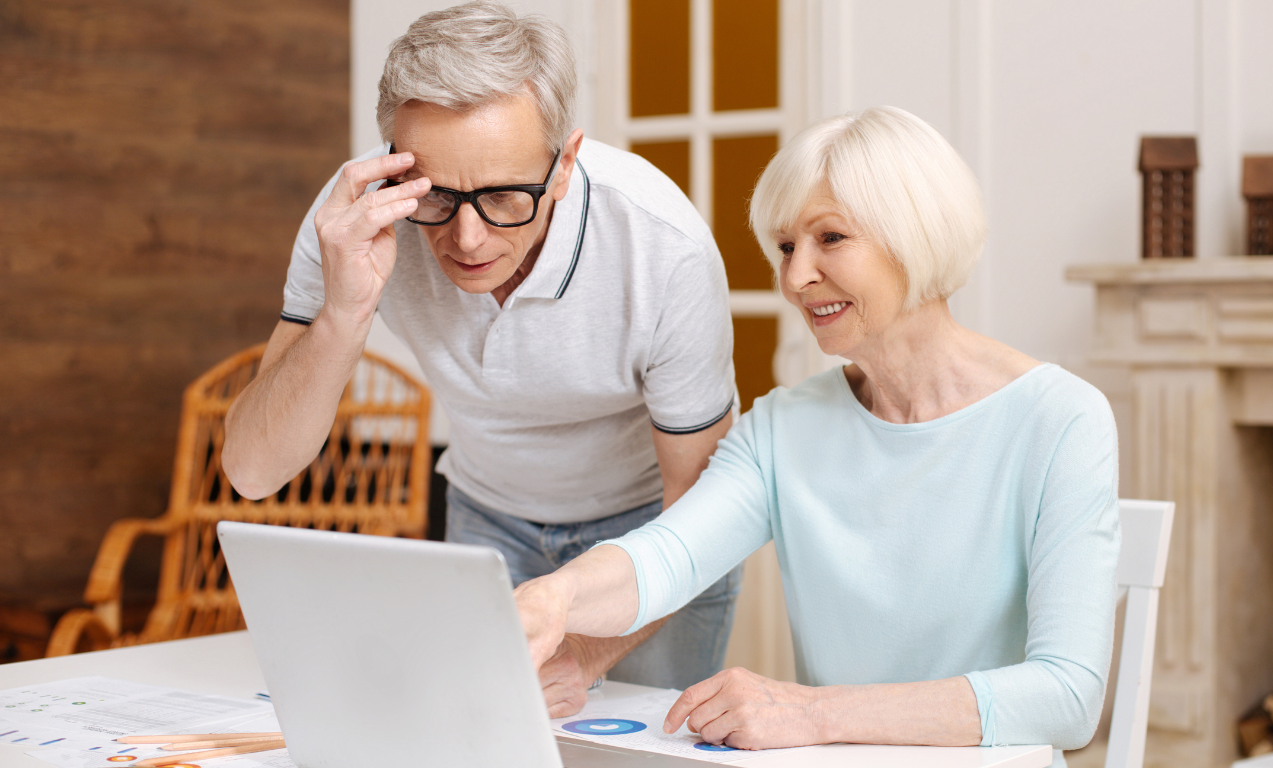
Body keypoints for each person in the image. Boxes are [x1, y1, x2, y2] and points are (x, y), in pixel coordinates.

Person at [515, 106, 1120, 767]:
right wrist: (557, 595)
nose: (795, 276)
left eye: (830, 238)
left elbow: (1068, 695)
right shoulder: (784, 427)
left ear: (914, 234)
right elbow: (667, 558)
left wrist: (809, 712)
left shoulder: (1061, 419)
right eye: (785, 246)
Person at [221, 1, 743, 717]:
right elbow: (252, 472)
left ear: (564, 165)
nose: (466, 238)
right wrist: (344, 313)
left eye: (503, 195)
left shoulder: (662, 249)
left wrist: (585, 653)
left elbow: (704, 514)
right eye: (435, 196)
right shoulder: (356, 222)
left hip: (649, 535)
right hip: (488, 517)